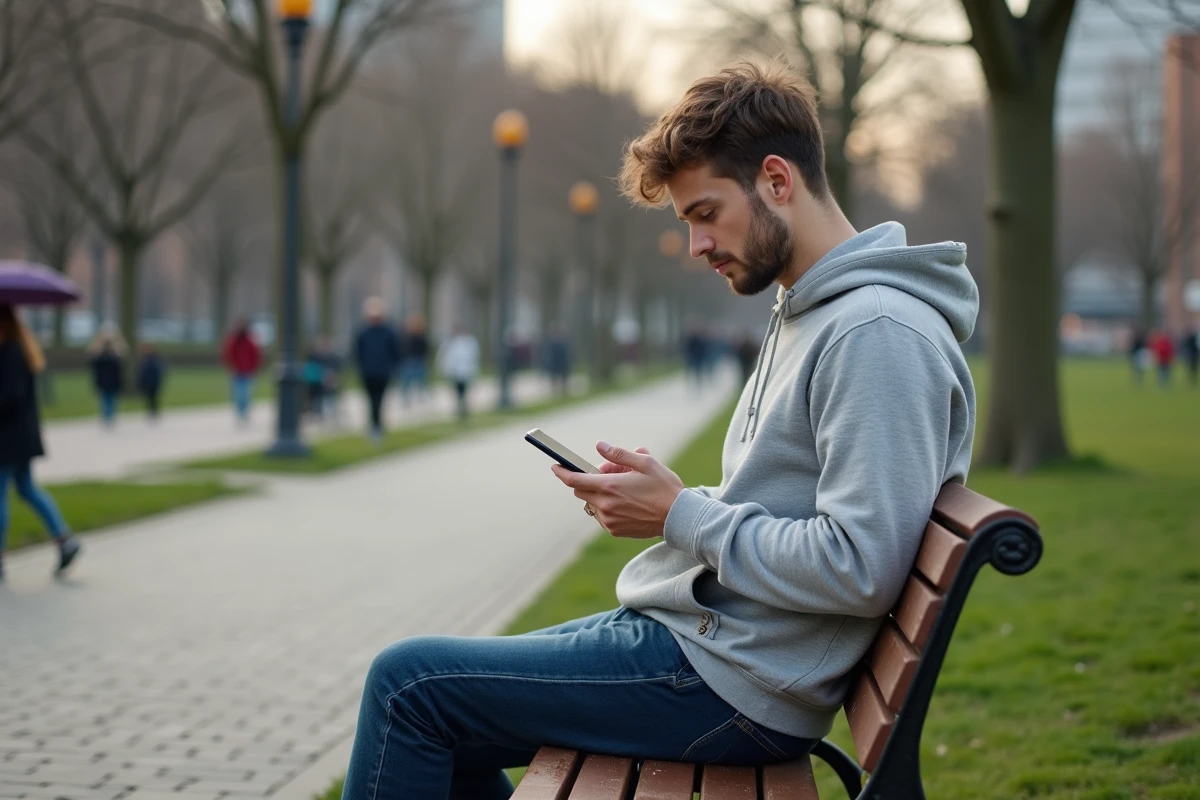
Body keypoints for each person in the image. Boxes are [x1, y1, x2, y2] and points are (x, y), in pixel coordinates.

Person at [341, 62, 980, 799]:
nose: (697, 245)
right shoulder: (814, 312)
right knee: (435, 705)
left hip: (735, 685)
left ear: (777, 180)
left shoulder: (874, 332)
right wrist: (670, 500)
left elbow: (859, 566)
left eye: (705, 213)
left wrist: (680, 514)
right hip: (713, 647)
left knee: (408, 688)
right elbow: (788, 508)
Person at [0, 306, 81, 582]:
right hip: (21, 437)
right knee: (26, 489)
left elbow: (11, 396)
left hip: (7, 438)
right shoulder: (22, 349)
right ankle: (63, 539)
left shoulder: (9, 352)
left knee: (2, 494)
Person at [354, 297, 400, 440]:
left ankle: (377, 426)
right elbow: (358, 353)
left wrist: (393, 368)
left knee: (379, 400)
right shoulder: (363, 332)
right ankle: (374, 426)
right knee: (370, 400)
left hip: (383, 372)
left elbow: (395, 352)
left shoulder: (388, 332)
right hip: (368, 372)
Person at [437, 323, 480, 423]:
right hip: (455, 372)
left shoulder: (469, 342)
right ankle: (460, 408)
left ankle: (463, 408)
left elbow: (473, 356)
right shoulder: (451, 342)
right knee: (457, 392)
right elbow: (446, 357)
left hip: (465, 372)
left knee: (463, 391)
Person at [221, 319, 262, 425]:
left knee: (246, 395)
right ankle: (240, 413)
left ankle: (244, 413)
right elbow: (228, 354)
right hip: (237, 371)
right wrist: (231, 367)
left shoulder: (250, 340)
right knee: (238, 395)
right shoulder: (234, 340)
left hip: (247, 371)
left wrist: (254, 368)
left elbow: (255, 355)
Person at [88, 327, 125, 427]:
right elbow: (122, 354)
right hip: (109, 382)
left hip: (105, 382)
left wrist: (98, 341)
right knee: (109, 400)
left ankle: (107, 417)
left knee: (106, 400)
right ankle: (108, 417)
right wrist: (118, 339)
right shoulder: (111, 357)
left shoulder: (101, 358)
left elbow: (92, 356)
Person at [398, 314, 431, 405]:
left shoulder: (421, 336)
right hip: (409, 361)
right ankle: (405, 398)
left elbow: (425, 349)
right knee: (407, 381)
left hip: (419, 360)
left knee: (422, 381)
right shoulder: (406, 337)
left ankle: (423, 397)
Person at [136, 342, 166, 421]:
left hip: (154, 381)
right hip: (147, 382)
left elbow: (159, 371)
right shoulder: (144, 359)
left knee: (154, 398)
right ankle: (150, 412)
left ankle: (154, 412)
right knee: (149, 398)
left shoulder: (155, 359)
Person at [543, 323, 572, 396]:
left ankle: (563, 391)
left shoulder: (562, 341)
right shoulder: (553, 342)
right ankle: (556, 392)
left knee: (563, 378)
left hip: (561, 362)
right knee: (555, 378)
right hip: (555, 363)